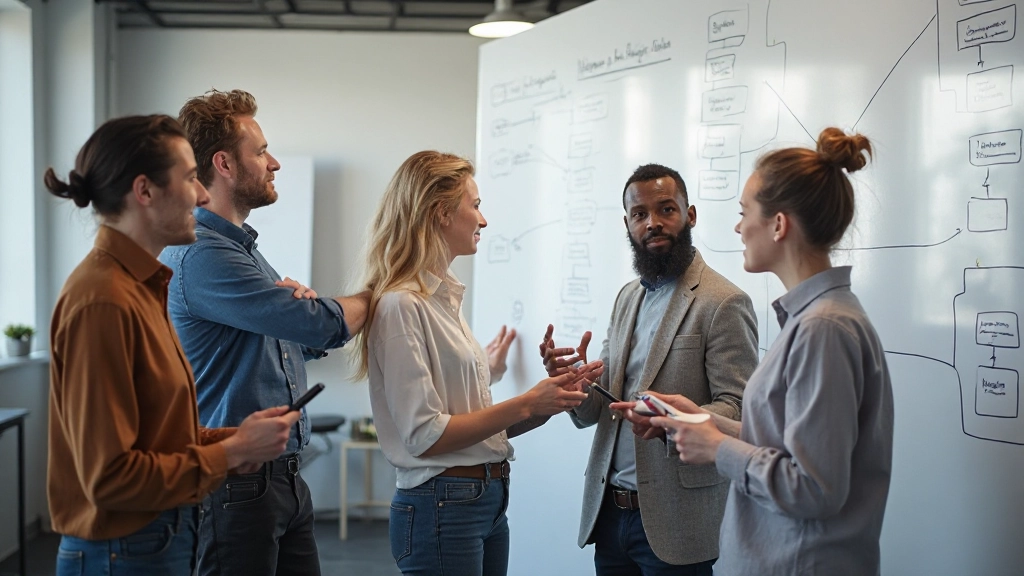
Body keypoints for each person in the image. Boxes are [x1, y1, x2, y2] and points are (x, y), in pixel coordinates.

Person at [45, 115, 299, 575]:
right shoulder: (103, 300)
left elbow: (156, 439)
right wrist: (232, 453)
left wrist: (236, 438)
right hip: (123, 553)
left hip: (156, 541)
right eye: (189, 179)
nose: (202, 195)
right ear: (144, 191)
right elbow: (109, 479)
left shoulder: (141, 286)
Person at [647, 128, 894, 576]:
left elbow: (814, 487)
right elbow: (788, 442)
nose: (739, 227)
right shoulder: (812, 319)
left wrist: (717, 447)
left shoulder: (823, 329)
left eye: (745, 213)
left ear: (779, 225)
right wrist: (706, 422)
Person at [355, 151, 598, 576]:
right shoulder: (401, 305)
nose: (483, 220)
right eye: (476, 205)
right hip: (442, 505)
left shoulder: (444, 299)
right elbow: (425, 436)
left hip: (484, 500)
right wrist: (526, 402)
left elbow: (474, 429)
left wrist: (551, 401)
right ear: (441, 213)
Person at [159, 89, 370, 576]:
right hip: (237, 484)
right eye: (261, 152)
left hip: (280, 479)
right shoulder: (203, 254)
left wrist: (303, 318)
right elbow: (321, 326)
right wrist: (379, 293)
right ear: (224, 164)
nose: (273, 163)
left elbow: (296, 339)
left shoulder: (241, 250)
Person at [539, 164, 759, 575]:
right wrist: (575, 383)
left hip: (678, 522)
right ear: (627, 224)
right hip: (609, 514)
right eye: (639, 214)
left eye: (666, 210)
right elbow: (597, 411)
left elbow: (740, 410)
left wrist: (669, 420)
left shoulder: (724, 302)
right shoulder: (627, 298)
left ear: (690, 215)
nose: (652, 223)